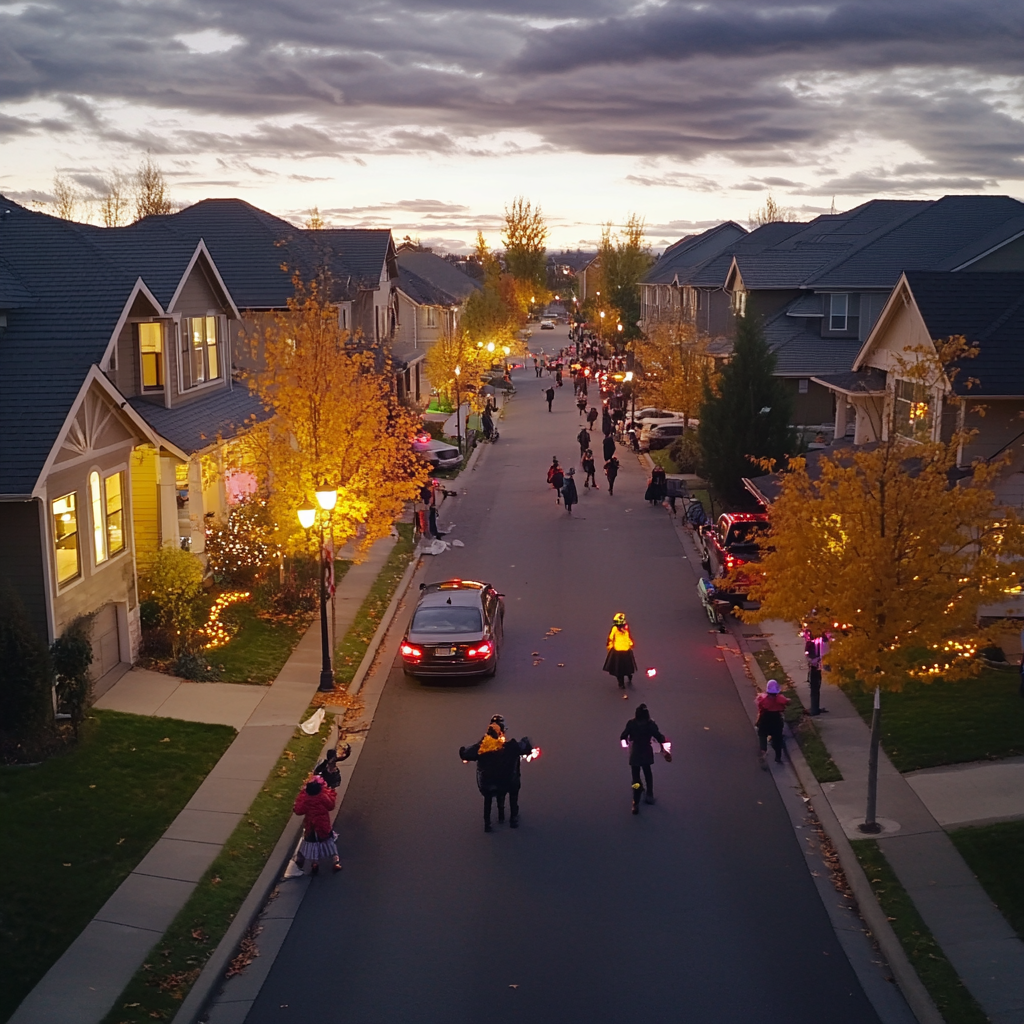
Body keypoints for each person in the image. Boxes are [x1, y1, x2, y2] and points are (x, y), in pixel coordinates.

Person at [459, 715, 536, 832]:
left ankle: (488, 823)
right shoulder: (511, 747)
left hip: (488, 783)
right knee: (513, 789)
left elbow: (465, 754)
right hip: (508, 781)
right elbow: (526, 748)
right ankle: (513, 818)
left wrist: (465, 750)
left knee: (489, 796)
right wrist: (525, 741)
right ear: (502, 731)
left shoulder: (481, 747)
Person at [621, 704, 669, 813]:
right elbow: (658, 735)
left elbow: (623, 736)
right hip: (646, 750)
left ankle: (636, 799)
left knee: (635, 775)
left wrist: (626, 743)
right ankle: (649, 794)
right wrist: (664, 742)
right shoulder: (650, 725)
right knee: (647, 772)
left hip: (636, 751)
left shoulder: (631, 723)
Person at [292, 776, 341, 873]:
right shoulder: (323, 797)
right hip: (323, 824)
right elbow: (331, 806)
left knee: (313, 844)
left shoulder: (306, 800)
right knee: (329, 841)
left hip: (311, 825)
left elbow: (298, 810)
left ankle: (315, 863)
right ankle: (335, 860)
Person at [756, 679, 790, 767]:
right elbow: (787, 702)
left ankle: (763, 751)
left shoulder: (762, 699)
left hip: (765, 719)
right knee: (778, 739)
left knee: (762, 735)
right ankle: (778, 757)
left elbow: (760, 707)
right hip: (776, 720)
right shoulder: (780, 698)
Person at [604, 611, 637, 689]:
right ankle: (624, 680)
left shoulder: (620, 628)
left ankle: (624, 680)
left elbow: (612, 638)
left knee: (620, 669)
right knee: (624, 667)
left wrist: (630, 643)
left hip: (621, 651)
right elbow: (612, 638)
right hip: (622, 651)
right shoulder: (619, 628)